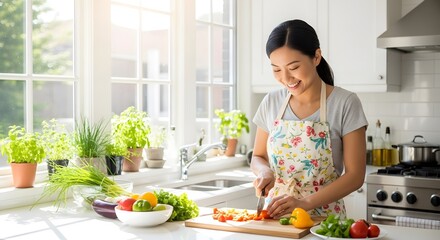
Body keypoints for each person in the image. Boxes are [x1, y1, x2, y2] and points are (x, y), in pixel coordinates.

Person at [251, 19, 368, 219]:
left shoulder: (346, 102)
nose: (286, 78)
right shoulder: (271, 102)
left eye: (294, 67)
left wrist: (304, 204)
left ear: (316, 57)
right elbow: (258, 156)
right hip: (277, 217)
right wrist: (264, 172)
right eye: (277, 70)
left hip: (325, 221)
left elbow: (355, 176)